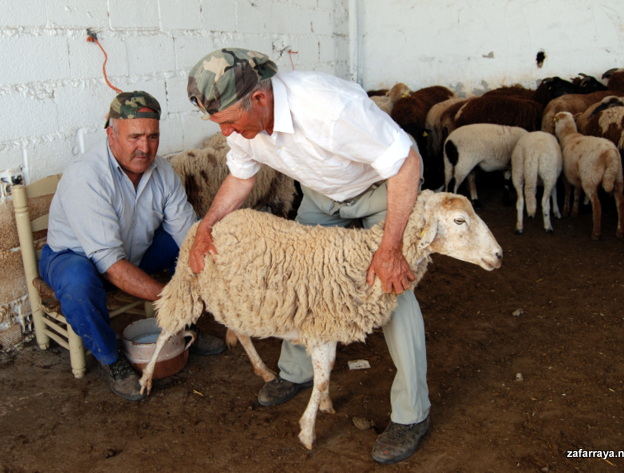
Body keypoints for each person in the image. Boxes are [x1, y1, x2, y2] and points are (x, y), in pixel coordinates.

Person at [186, 48, 429, 464]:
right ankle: (296, 372)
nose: (226, 133)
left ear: (259, 98)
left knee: (391, 288)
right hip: (323, 193)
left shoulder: (328, 108)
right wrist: (206, 226)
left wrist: (390, 249)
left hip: (382, 190)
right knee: (300, 276)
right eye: (219, 124)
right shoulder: (244, 126)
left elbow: (405, 164)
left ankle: (412, 413)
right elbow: (241, 177)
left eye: (229, 122)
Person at [39, 91, 226, 402]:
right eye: (135, 137)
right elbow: (110, 264)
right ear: (111, 135)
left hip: (134, 252)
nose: (145, 147)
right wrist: (174, 298)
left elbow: (188, 234)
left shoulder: (162, 171)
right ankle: (112, 360)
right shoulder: (86, 176)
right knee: (77, 284)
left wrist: (221, 280)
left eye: (153, 136)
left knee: (191, 243)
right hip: (74, 258)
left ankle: (184, 327)